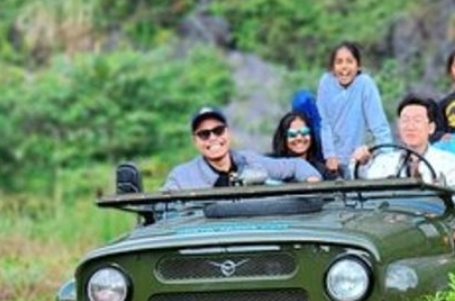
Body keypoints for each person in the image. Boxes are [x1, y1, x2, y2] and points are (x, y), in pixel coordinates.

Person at [163, 107, 320, 190]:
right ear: (195, 141)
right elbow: (162, 209)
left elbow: (295, 165)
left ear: (228, 132)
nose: (213, 138)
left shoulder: (250, 161)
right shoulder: (181, 177)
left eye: (218, 130)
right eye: (204, 134)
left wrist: (311, 179)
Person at [362, 94, 455, 208]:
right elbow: (371, 199)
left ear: (431, 128)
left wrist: (441, 193)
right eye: (405, 120)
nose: (410, 127)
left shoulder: (450, 162)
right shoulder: (383, 162)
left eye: (417, 120)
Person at [316, 41, 392, 175]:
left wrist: (388, 158)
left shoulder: (365, 84)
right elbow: (324, 122)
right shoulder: (326, 82)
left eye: (349, 61)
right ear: (333, 67)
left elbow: (379, 124)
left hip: (360, 156)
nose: (344, 67)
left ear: (358, 65)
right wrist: (330, 155)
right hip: (334, 158)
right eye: (339, 62)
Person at [271, 109, 334, 179]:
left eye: (304, 132)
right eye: (292, 134)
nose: (299, 138)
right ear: (283, 138)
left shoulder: (322, 171)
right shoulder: (274, 169)